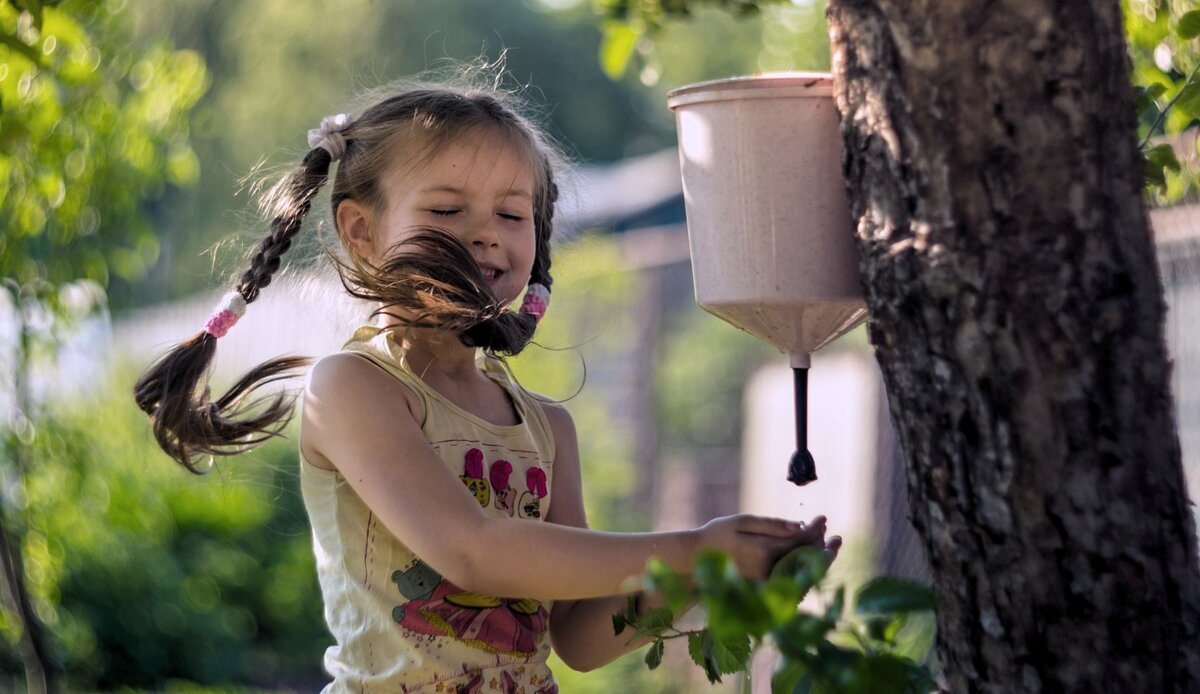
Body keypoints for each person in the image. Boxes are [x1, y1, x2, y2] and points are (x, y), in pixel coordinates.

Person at [134, 77, 840, 693]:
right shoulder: (353, 389)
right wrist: (693, 547)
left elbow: (582, 638)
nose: (485, 236)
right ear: (361, 231)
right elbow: (471, 549)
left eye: (511, 214)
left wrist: (717, 580)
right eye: (446, 212)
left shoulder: (545, 427)